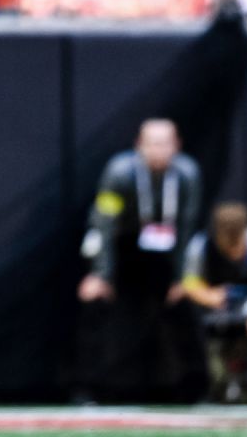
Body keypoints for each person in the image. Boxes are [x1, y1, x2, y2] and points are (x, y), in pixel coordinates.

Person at [76, 118, 206, 402]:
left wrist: (182, 278)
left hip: (166, 252)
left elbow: (187, 226)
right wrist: (101, 274)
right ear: (139, 146)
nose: (159, 150)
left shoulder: (187, 174)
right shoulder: (120, 172)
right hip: (123, 247)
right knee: (95, 302)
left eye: (165, 143)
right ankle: (87, 388)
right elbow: (104, 224)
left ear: (177, 146)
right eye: (152, 143)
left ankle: (196, 387)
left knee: (185, 303)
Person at [182, 202, 247, 402]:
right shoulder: (202, 245)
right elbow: (190, 282)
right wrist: (209, 296)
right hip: (219, 309)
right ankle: (220, 387)